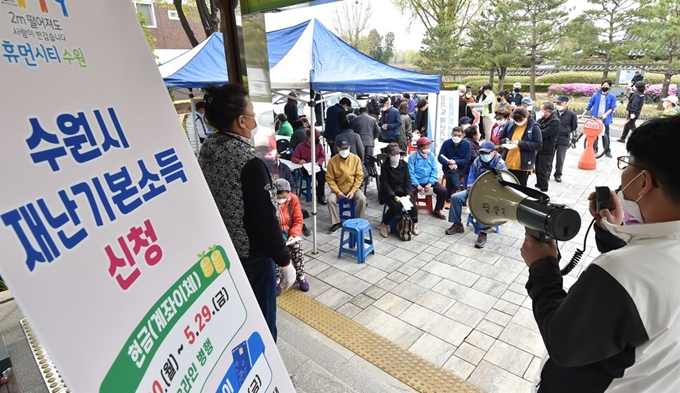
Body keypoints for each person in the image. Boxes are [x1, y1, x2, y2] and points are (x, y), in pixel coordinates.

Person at [519, 116, 680, 392]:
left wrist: (542, 267)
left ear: (643, 182)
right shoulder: (653, 261)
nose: (624, 172)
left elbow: (563, 343)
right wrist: (612, 234)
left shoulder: (622, 271)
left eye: (628, 163)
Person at [198, 83, 293, 342]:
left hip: (222, 250)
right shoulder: (250, 164)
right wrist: (284, 259)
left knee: (237, 320)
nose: (255, 116)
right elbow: (265, 219)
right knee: (263, 321)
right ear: (242, 120)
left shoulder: (208, 149)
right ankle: (269, 378)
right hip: (252, 255)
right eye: (252, 109)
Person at [445, 141, 507, 248]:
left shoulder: (500, 164)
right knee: (455, 198)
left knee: (483, 203)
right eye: (482, 153)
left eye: (487, 153)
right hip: (475, 190)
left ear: (494, 152)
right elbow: (471, 179)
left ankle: (482, 233)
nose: (484, 155)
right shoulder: (477, 162)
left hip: (491, 195)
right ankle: (457, 224)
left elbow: (502, 184)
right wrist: (470, 194)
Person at [273, 179, 308, 294]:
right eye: (280, 196)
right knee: (275, 253)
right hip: (276, 233)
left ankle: (300, 276)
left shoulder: (293, 199)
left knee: (297, 250)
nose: (282, 199)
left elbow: (298, 219)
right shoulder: (271, 202)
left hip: (290, 233)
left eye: (285, 196)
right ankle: (277, 279)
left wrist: (293, 235)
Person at [379, 142, 420, 237]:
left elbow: (408, 181)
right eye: (393, 154)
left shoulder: (404, 165)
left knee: (412, 206)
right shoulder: (385, 166)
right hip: (390, 193)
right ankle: (384, 225)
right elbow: (384, 183)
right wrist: (393, 196)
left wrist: (408, 194)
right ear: (389, 156)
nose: (396, 156)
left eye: (397, 154)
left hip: (403, 191)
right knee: (394, 207)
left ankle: (415, 224)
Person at [325, 139, 366, 233]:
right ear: (338, 148)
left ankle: (360, 220)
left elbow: (359, 177)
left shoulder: (355, 159)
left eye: (346, 148)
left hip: (353, 188)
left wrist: (353, 190)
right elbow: (330, 179)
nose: (344, 150)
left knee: (362, 199)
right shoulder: (332, 161)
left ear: (350, 148)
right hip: (338, 189)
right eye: (342, 148)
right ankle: (336, 222)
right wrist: (337, 191)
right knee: (330, 200)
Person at [499, 107, 543, 186]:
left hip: (522, 164)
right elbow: (501, 137)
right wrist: (505, 141)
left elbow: (538, 144)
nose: (518, 122)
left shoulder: (534, 127)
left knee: (520, 188)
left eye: (520, 120)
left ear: (526, 116)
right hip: (507, 162)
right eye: (516, 120)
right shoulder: (511, 124)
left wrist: (520, 143)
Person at [409, 137, 448, 219]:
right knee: (409, 193)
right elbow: (410, 173)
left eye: (429, 145)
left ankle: (437, 210)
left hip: (429, 181)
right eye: (427, 145)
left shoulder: (431, 156)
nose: (429, 147)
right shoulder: (413, 156)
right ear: (420, 147)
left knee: (443, 191)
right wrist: (417, 184)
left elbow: (435, 171)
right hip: (417, 181)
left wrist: (430, 183)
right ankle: (411, 212)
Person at [292, 128, 327, 205]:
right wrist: (299, 161)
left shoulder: (319, 145)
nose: (317, 140)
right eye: (315, 138)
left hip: (317, 167)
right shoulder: (300, 147)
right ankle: (320, 195)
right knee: (323, 176)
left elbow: (322, 156)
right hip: (306, 169)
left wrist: (318, 162)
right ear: (308, 138)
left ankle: (320, 195)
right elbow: (293, 157)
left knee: (322, 176)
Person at [582, 80, 617, 158]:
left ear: (610, 87)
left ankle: (607, 150)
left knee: (606, 135)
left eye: (607, 86)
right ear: (601, 86)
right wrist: (583, 114)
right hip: (595, 118)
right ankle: (594, 149)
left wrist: (605, 115)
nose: (605, 87)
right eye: (603, 85)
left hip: (605, 119)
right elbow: (589, 105)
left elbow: (612, 107)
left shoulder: (612, 96)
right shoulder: (596, 95)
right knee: (594, 135)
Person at [439, 126, 472, 197]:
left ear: (463, 135)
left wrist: (455, 162)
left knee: (451, 175)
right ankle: (458, 191)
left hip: (461, 168)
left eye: (459, 135)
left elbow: (467, 159)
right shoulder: (446, 143)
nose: (457, 137)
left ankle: (449, 198)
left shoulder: (467, 144)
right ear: (451, 134)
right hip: (447, 167)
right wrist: (448, 162)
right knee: (451, 172)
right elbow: (440, 157)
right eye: (455, 135)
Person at [535, 102, 560, 192]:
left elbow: (544, 133)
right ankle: (538, 184)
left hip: (547, 148)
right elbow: (536, 127)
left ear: (547, 111)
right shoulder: (541, 119)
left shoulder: (554, 121)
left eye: (541, 110)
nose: (540, 111)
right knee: (537, 168)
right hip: (539, 147)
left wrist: (537, 132)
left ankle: (544, 187)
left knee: (543, 170)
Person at [553, 96, 578, 183]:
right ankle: (547, 173)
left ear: (566, 104)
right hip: (552, 138)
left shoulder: (572, 114)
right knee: (549, 156)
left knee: (560, 158)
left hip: (563, 138)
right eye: (557, 103)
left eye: (560, 103)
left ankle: (558, 174)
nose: (558, 105)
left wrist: (566, 131)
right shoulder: (554, 113)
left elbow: (574, 126)